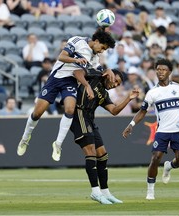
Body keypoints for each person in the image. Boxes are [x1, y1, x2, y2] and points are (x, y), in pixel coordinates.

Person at [17, 28, 116, 162]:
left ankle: (58, 144)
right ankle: (25, 138)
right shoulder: (77, 41)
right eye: (102, 47)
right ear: (96, 41)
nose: (102, 51)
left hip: (70, 81)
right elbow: (61, 57)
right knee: (37, 113)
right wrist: (76, 61)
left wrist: (108, 70)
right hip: (56, 78)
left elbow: (98, 71)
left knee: (69, 109)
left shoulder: (95, 57)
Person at [122, 58, 179, 200]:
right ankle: (150, 191)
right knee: (155, 158)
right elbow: (142, 111)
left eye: (164, 70)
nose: (160, 72)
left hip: (178, 130)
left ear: (170, 72)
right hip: (162, 132)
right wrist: (131, 125)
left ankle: (168, 167)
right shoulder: (152, 93)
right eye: (158, 69)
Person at [70, 68, 139, 204]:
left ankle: (105, 192)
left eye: (118, 84)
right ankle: (95, 192)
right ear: (110, 76)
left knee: (103, 155)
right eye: (115, 81)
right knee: (91, 152)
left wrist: (128, 98)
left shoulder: (103, 93)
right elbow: (77, 73)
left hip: (90, 119)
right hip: (79, 114)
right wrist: (87, 86)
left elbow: (114, 111)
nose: (115, 85)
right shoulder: (95, 75)